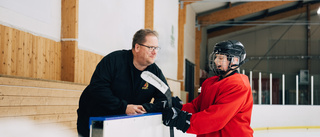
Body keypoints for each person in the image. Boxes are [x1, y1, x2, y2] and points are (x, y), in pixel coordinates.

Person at [77, 29, 168, 137]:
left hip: (123, 123)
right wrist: (123, 107)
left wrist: (146, 108)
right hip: (94, 117)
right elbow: (98, 89)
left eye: (156, 48)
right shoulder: (114, 60)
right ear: (137, 47)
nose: (155, 52)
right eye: (150, 48)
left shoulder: (155, 72)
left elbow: (165, 98)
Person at [162, 40, 253, 137]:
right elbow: (197, 107)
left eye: (221, 58)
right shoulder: (210, 82)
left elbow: (216, 118)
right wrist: (177, 107)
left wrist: (181, 120)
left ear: (235, 60)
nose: (216, 61)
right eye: (216, 57)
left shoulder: (238, 85)